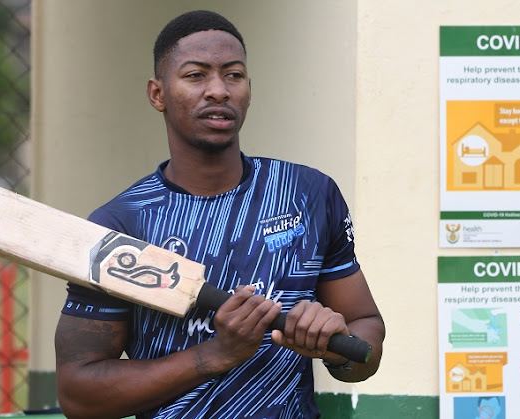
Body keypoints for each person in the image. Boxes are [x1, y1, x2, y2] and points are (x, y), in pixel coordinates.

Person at [54, 10, 385, 419]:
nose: (218, 90)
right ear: (157, 94)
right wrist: (214, 355)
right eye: (195, 75)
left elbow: (366, 337)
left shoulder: (308, 195)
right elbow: (79, 394)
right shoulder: (122, 225)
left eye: (233, 75)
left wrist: (335, 345)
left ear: (248, 89)